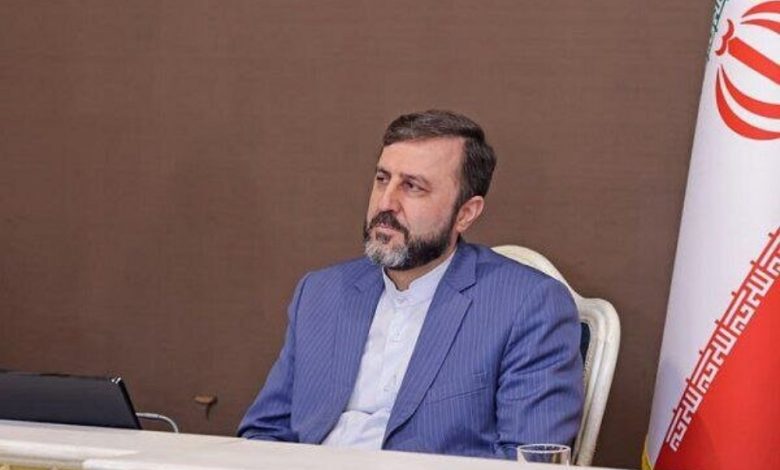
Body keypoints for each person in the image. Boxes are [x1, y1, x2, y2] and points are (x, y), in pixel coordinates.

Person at [238, 110, 583, 459]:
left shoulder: (528, 305)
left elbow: (530, 460)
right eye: (382, 179)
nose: (385, 203)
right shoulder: (321, 292)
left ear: (465, 213)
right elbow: (264, 431)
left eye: (412, 187)